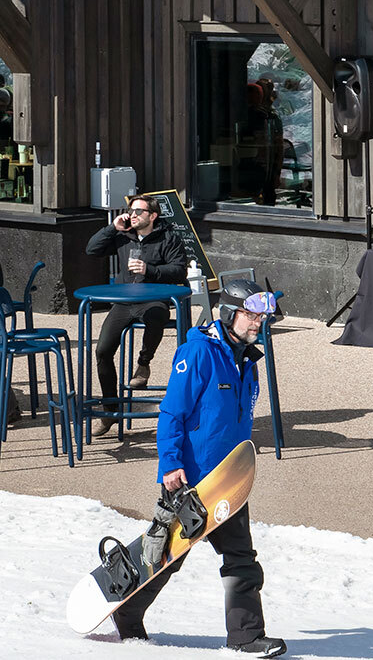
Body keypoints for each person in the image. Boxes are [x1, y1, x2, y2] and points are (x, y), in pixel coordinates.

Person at [112, 278, 286, 657]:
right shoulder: (198, 354)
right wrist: (170, 465)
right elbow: (171, 414)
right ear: (228, 313)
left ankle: (245, 637)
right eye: (249, 315)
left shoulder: (246, 361)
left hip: (228, 479)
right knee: (167, 560)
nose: (256, 323)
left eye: (261, 317)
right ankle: (126, 612)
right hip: (190, 481)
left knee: (241, 558)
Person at [83, 195, 189, 439]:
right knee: (102, 351)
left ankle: (143, 363)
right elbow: (91, 250)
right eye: (131, 210)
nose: (133, 214)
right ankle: (110, 411)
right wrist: (112, 227)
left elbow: (178, 270)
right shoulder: (123, 236)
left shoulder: (168, 237)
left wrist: (149, 270)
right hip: (125, 301)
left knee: (156, 316)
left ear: (152, 216)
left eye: (139, 211)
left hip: (153, 299)